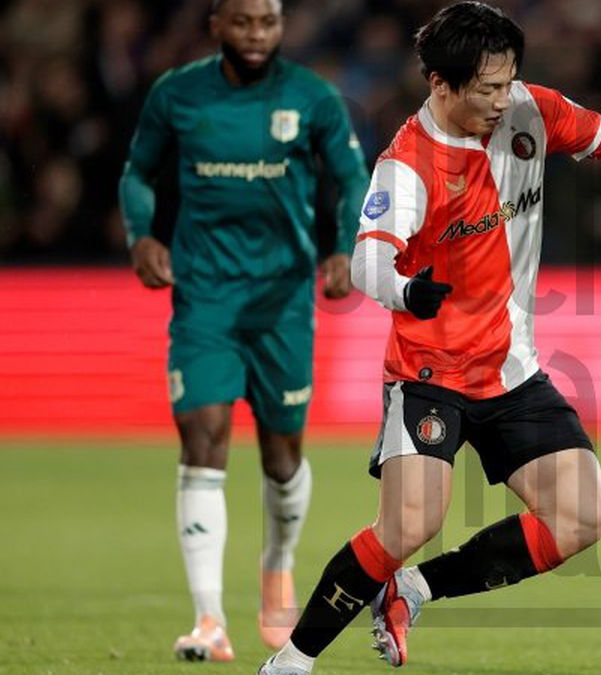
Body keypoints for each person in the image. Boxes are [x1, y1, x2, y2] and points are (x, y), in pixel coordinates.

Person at [257, 3, 601, 673]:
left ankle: (414, 589)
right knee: (408, 524)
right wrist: (407, 291)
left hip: (512, 370)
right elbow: (368, 261)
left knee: (582, 516)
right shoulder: (406, 165)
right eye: (488, 88)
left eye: (509, 81)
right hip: (429, 374)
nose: (503, 100)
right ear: (440, 83)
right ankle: (291, 661)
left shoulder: (529, 110)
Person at [118, 0, 369, 662]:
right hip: (205, 298)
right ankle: (209, 619)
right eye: (243, 21)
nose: (256, 34)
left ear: (280, 25)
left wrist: (344, 247)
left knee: (282, 456)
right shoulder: (177, 94)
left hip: (283, 300)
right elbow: (138, 172)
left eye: (268, 21)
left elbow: (352, 177)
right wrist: (142, 235)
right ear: (216, 25)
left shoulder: (312, 98)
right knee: (203, 438)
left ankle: (277, 564)